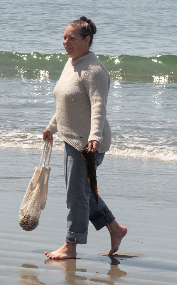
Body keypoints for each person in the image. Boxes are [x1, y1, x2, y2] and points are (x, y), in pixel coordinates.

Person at [42, 16, 127, 262]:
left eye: (71, 38)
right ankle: (115, 228)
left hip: (88, 144)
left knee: (76, 195)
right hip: (71, 139)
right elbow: (65, 103)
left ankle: (71, 245)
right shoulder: (71, 64)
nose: (65, 42)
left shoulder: (94, 70)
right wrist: (52, 127)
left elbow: (99, 106)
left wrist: (95, 136)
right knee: (83, 192)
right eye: (64, 37)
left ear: (86, 40)